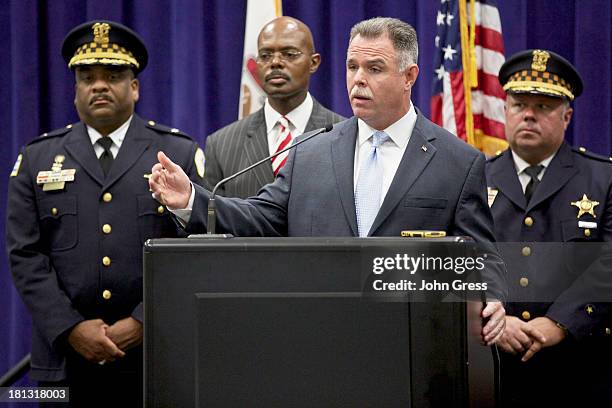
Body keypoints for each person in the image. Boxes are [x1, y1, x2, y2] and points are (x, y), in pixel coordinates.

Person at [151, 17, 506, 343]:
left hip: (413, 341)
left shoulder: (458, 162)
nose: (358, 79)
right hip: (320, 338)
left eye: (374, 68)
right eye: (352, 67)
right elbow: (260, 216)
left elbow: (480, 255)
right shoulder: (310, 152)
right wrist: (191, 201)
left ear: (409, 76)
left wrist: (491, 296)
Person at [6, 20, 204, 406]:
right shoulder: (37, 158)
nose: (99, 85)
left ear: (135, 87)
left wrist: (146, 321)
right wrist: (71, 328)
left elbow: (197, 248)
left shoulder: (176, 153)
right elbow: (24, 255)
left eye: (113, 75)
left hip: (157, 354)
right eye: (86, 77)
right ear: (75, 90)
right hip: (65, 357)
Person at [486, 49, 612, 406]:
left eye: (544, 106)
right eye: (519, 104)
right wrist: (495, 318)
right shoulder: (474, 178)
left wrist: (560, 322)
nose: (528, 114)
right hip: (494, 370)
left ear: (567, 115)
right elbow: (460, 261)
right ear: (505, 111)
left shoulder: (604, 179)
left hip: (581, 369)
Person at [204, 16, 344, 198]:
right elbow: (214, 221)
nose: (275, 62)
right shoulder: (221, 145)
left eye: (289, 54)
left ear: (314, 62)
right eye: (265, 55)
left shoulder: (345, 135)